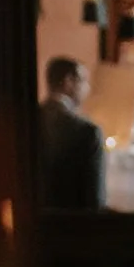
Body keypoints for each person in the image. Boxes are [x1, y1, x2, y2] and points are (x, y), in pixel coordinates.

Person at [37, 57, 106, 209]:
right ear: (69, 81)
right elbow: (95, 200)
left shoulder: (25, 120)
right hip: (72, 225)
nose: (87, 89)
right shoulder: (87, 131)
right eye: (84, 81)